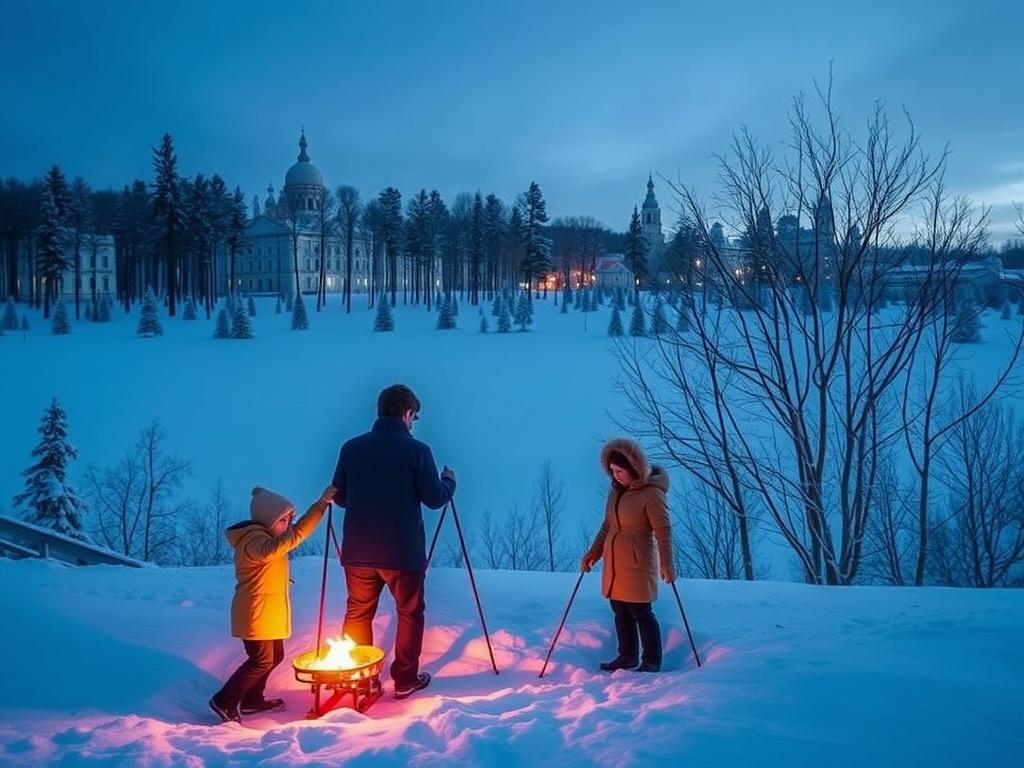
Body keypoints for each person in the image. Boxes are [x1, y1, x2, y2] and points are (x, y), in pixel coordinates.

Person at [331, 384, 456, 700]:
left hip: (358, 552)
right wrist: (449, 481)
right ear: (407, 413)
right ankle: (404, 679)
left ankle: (359, 676)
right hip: (402, 553)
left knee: (358, 612)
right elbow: (433, 498)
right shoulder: (418, 451)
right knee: (409, 613)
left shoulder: (351, 448)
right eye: (414, 416)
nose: (413, 423)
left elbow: (341, 497)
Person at [209, 484, 335, 723]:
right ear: (268, 520)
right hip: (255, 613)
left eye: (289, 520)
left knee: (274, 656)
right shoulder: (253, 541)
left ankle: (251, 701)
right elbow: (290, 540)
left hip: (267, 613)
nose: (287, 525)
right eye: (282, 520)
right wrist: (320, 505)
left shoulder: (263, 540)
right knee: (260, 660)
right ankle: (224, 701)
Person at [581, 438, 675, 672]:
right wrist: (594, 553)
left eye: (619, 471)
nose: (615, 476)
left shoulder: (652, 494)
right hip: (615, 563)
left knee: (641, 612)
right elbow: (608, 525)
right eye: (612, 471)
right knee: (619, 609)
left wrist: (667, 564)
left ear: (634, 468)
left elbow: (663, 530)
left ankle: (652, 660)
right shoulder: (616, 492)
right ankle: (627, 656)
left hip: (638, 562)